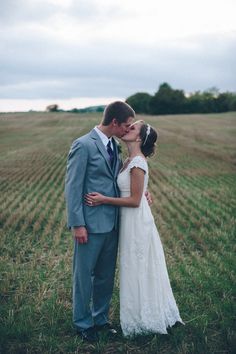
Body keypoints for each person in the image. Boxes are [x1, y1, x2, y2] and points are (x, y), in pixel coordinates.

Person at [85, 120, 184, 337]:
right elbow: (133, 190)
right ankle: (139, 313)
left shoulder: (137, 162)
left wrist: (103, 199)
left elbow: (134, 201)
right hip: (128, 220)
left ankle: (144, 318)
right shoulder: (128, 159)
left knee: (138, 266)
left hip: (136, 220)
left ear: (138, 138)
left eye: (133, 128)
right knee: (133, 266)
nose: (127, 128)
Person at [65, 101, 135, 342]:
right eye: (126, 125)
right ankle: (83, 323)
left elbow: (118, 181)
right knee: (83, 275)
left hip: (113, 223)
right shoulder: (83, 145)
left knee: (105, 276)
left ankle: (101, 319)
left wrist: (141, 192)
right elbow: (73, 187)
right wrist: (77, 224)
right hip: (89, 224)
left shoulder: (114, 145)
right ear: (114, 122)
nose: (128, 130)